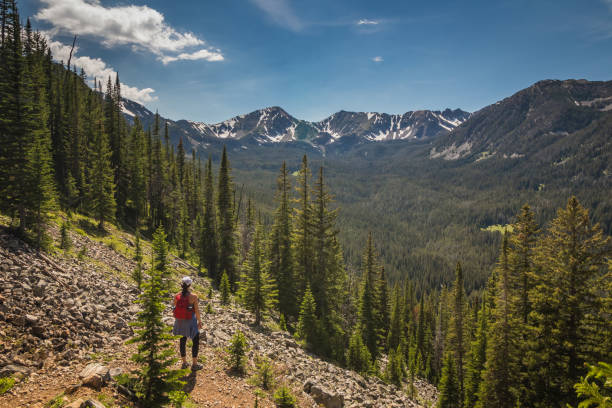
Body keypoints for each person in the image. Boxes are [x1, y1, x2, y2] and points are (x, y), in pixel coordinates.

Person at [172, 276, 203, 369]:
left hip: (180, 321)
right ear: (190, 285)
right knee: (195, 340)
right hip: (190, 321)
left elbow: (175, 305)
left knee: (182, 340)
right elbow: (197, 311)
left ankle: (184, 363)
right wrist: (199, 321)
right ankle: (194, 364)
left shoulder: (177, 296)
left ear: (182, 284)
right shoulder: (193, 297)